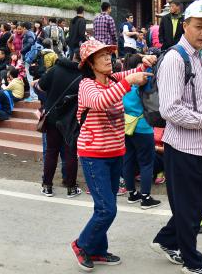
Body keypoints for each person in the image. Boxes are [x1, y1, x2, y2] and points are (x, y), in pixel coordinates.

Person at [151, 0, 202, 274]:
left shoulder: (201, 58)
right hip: (183, 146)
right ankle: (193, 262)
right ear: (185, 25)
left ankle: (166, 239)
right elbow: (170, 109)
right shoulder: (175, 59)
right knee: (189, 208)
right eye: (198, 26)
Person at [70, 39, 155, 271]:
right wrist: (129, 81)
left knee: (104, 208)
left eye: (109, 54)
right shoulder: (87, 86)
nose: (108, 58)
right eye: (102, 56)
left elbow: (134, 72)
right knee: (107, 208)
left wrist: (145, 63)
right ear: (90, 63)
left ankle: (97, 250)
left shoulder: (113, 79)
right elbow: (101, 101)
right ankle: (81, 245)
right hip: (93, 155)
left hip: (115, 152)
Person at [36, 54, 85, 198]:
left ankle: (47, 186)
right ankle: (71, 188)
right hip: (70, 121)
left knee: (51, 152)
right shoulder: (84, 76)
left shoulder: (55, 69)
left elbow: (41, 86)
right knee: (70, 154)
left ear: (72, 56)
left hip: (52, 119)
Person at [122, 53, 161, 209]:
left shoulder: (124, 83)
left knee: (128, 160)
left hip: (126, 125)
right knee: (146, 163)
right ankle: (145, 197)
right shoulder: (144, 80)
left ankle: (132, 193)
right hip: (143, 127)